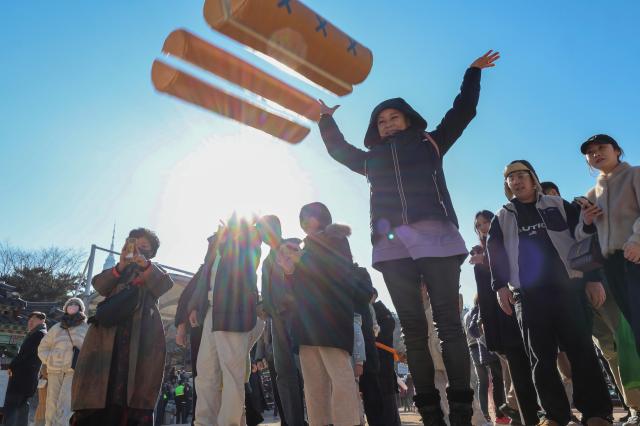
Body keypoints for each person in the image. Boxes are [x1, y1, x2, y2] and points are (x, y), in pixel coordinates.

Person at [316, 50, 499, 425]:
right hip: (392, 247)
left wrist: (472, 72)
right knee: (412, 329)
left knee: (448, 325)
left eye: (393, 117)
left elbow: (462, 112)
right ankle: (431, 413)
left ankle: (461, 410)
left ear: (408, 118)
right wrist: (324, 120)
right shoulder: (370, 160)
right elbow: (338, 151)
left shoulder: (430, 143)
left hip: (437, 238)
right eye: (380, 120)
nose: (386, 124)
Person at [487, 160, 612, 425]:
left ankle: (597, 412)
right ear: (507, 185)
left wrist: (592, 278)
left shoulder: (558, 205)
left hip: (568, 288)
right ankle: (554, 415)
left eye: (522, 175)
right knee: (541, 359)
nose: (517, 181)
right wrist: (500, 286)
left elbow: (583, 238)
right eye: (511, 178)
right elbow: (495, 253)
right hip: (528, 295)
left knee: (582, 351)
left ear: (533, 179)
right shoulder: (503, 216)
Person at [71, 228, 174, 425]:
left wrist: (144, 265)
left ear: (151, 252)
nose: (139, 250)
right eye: (136, 244)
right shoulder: (118, 270)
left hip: (140, 335)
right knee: (100, 388)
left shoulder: (153, 270)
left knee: (133, 388)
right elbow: (99, 285)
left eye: (145, 247)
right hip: (107, 336)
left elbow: (163, 285)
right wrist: (120, 266)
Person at [278, 202, 361, 426]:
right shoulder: (305, 247)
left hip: (331, 320)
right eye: (301, 217)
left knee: (340, 379)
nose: (304, 221)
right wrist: (289, 271)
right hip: (306, 324)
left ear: (322, 216)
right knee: (314, 386)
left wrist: (301, 260)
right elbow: (297, 290)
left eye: (308, 216)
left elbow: (338, 275)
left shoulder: (337, 238)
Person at [187, 216, 264, 426]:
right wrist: (195, 306)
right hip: (211, 310)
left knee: (232, 373)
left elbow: (249, 267)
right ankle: (204, 422)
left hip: (233, 310)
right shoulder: (215, 246)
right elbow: (204, 277)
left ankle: (230, 423)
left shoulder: (250, 243)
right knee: (205, 372)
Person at [472, 210, 540, 425]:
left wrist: (486, 260)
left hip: (515, 308)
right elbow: (483, 293)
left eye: (487, 222)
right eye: (479, 224)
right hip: (496, 316)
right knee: (512, 367)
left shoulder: (506, 243)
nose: (483, 227)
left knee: (527, 363)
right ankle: (519, 412)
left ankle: (522, 411)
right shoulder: (477, 251)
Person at [576, 134, 640, 356]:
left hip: (637, 257)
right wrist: (586, 222)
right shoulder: (591, 194)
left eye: (602, 147)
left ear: (617, 150)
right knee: (635, 326)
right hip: (612, 266)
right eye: (590, 152)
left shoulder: (635, 174)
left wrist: (637, 241)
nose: (596, 153)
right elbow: (581, 236)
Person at [256, 215, 306, 426]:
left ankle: (321, 418)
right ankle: (293, 421)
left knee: (308, 370)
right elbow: (266, 293)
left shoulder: (293, 247)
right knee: (284, 374)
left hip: (299, 317)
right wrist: (263, 306)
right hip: (276, 321)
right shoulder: (266, 260)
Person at [38, 297, 89, 426]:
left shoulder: (87, 327)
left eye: (75, 304)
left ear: (81, 308)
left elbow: (91, 350)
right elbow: (43, 347)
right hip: (54, 369)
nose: (72, 306)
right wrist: (50, 359)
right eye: (70, 304)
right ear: (65, 308)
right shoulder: (57, 327)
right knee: (51, 403)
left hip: (74, 370)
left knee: (66, 404)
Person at [465, 295, 508, 424]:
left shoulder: (473, 311)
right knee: (497, 381)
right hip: (487, 350)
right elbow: (473, 330)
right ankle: (499, 414)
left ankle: (496, 413)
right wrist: (487, 337)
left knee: (493, 382)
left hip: (484, 350)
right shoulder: (479, 309)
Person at [4, 311, 47, 426]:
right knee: (22, 407)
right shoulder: (39, 334)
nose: (30, 322)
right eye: (29, 319)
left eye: (34, 319)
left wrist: (11, 365)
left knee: (11, 407)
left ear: (42, 321)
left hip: (22, 378)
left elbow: (24, 355)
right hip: (29, 378)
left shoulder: (39, 334)